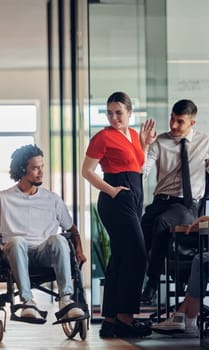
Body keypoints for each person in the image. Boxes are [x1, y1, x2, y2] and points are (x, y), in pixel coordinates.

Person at [0, 144, 87, 323]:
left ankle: (66, 300)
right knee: (16, 241)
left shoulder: (52, 199)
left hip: (44, 254)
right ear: (22, 170)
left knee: (59, 239)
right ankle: (28, 302)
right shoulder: (3, 198)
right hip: (15, 254)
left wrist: (79, 250)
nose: (41, 172)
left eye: (42, 167)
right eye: (35, 168)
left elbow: (72, 231)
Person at [81, 91, 157, 338]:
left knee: (121, 257)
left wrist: (144, 143)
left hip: (134, 194)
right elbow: (86, 171)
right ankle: (126, 318)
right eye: (110, 112)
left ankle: (110, 320)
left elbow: (137, 164)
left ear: (129, 113)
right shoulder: (103, 137)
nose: (114, 117)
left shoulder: (134, 135)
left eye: (119, 113)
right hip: (116, 196)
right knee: (137, 256)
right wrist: (112, 190)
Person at [140, 99, 209, 305]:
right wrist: (143, 146)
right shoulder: (160, 141)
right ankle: (134, 283)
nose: (173, 126)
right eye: (172, 119)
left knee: (162, 222)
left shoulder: (205, 141)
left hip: (186, 205)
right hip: (160, 201)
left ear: (192, 123)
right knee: (140, 234)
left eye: (180, 121)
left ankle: (151, 285)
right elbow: (143, 170)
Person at [151, 144, 209, 337]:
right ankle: (184, 317)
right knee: (204, 258)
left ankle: (187, 318)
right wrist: (207, 219)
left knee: (201, 260)